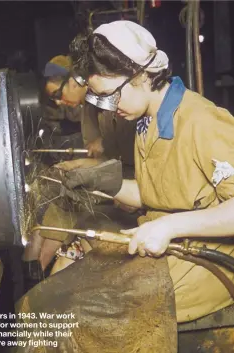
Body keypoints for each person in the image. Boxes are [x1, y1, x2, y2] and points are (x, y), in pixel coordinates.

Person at [59, 20, 234, 323]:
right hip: (171, 244)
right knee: (71, 270)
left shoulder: (201, 121)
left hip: (213, 258)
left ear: (140, 75)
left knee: (94, 310)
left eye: (113, 95)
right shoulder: (145, 122)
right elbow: (164, 192)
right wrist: (105, 182)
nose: (110, 108)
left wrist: (168, 227)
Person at [22, 53, 137, 287]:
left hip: (129, 183)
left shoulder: (121, 107)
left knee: (62, 199)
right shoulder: (93, 108)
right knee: (53, 188)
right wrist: (76, 164)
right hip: (117, 174)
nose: (58, 102)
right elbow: (107, 158)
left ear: (74, 82)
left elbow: (122, 162)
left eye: (57, 94)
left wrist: (99, 150)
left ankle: (35, 274)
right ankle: (33, 274)